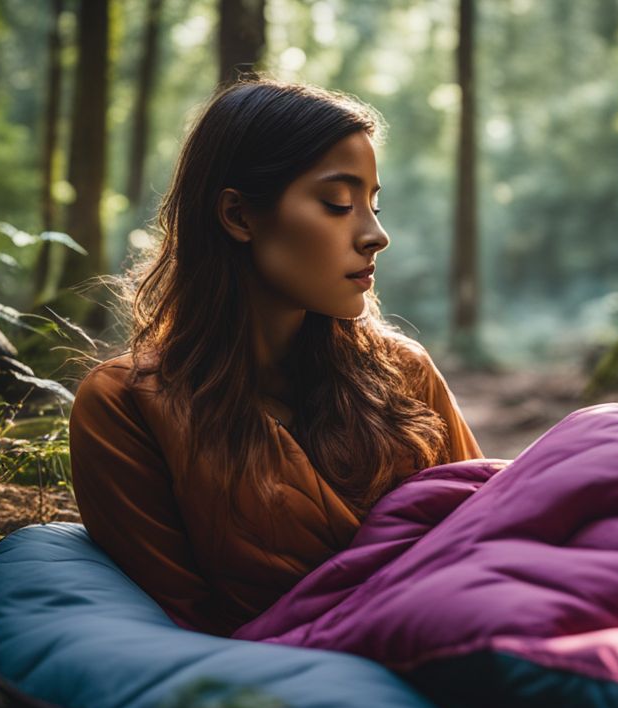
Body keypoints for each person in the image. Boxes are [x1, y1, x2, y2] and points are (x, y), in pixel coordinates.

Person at [67, 77, 484, 638]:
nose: (376, 234)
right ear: (239, 216)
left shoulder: (403, 371)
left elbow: (488, 532)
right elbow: (183, 628)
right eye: (339, 204)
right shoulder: (126, 408)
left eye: (373, 205)